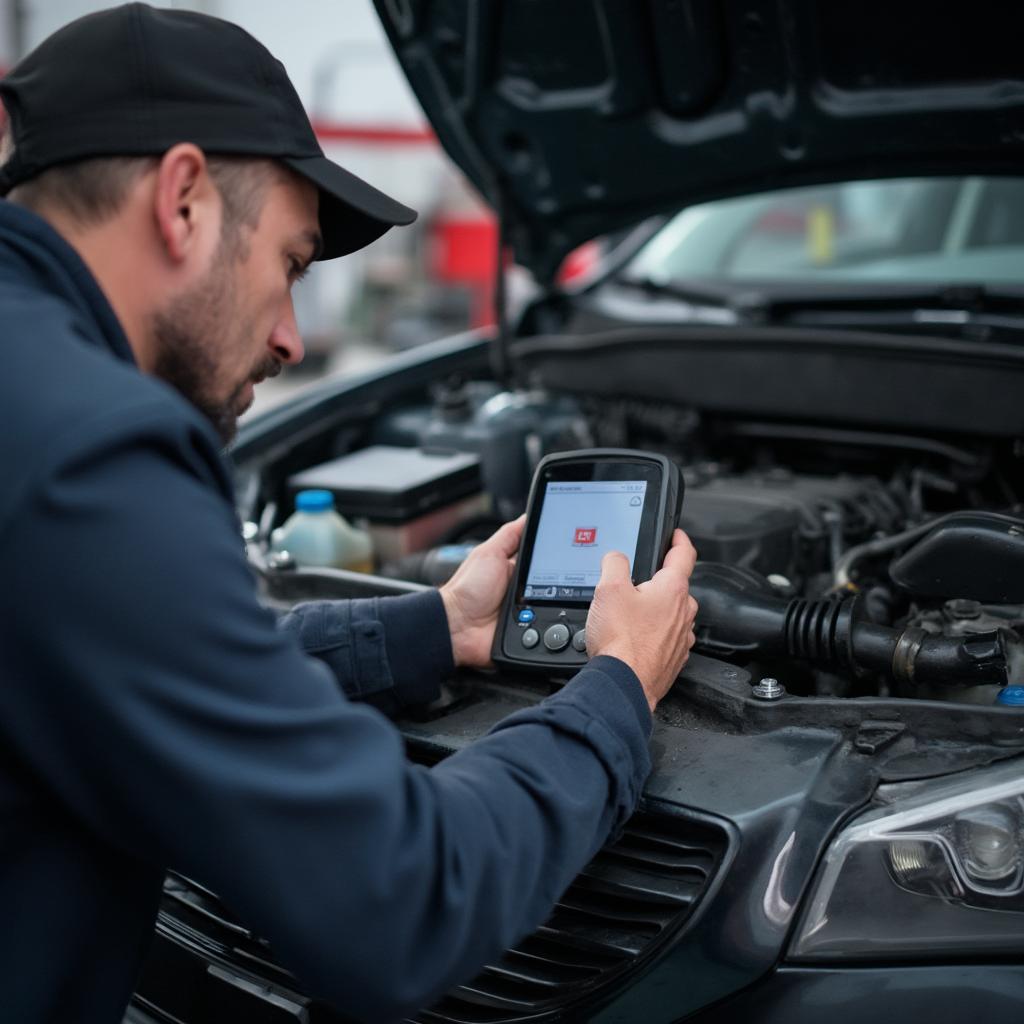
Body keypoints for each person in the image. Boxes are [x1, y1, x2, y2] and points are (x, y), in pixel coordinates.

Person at [0, 5, 699, 1023]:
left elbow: (125, 657)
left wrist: (430, 629)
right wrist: (613, 694)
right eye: (290, 261)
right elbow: (403, 901)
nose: (291, 336)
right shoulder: (88, 451)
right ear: (183, 198)